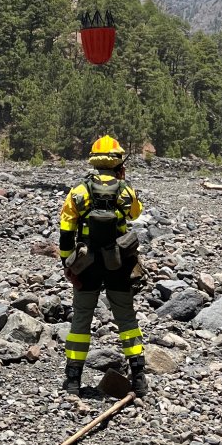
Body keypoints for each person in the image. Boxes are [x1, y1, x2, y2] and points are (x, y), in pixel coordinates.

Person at [58, 135, 147, 396]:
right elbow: (136, 214)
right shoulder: (125, 190)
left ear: (94, 161)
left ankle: (73, 379)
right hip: (118, 263)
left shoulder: (79, 191)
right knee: (127, 319)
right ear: (118, 162)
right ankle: (139, 377)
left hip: (86, 264)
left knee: (81, 320)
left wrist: (67, 263)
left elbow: (66, 231)